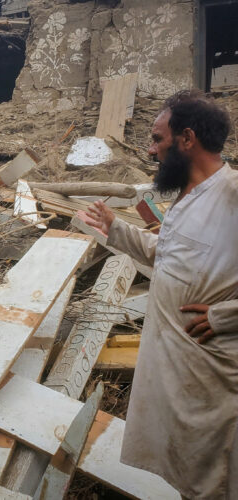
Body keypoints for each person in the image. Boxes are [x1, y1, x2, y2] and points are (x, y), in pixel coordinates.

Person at [79, 90, 238, 498]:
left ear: (187, 139)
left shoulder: (233, 194)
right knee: (188, 471)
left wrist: (226, 317)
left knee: (215, 475)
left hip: (212, 371)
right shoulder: (188, 196)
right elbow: (168, 256)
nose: (151, 151)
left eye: (157, 139)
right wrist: (117, 228)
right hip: (177, 369)